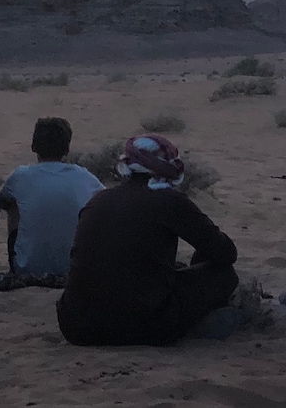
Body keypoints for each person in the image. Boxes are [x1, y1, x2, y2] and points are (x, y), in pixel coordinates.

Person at [57, 134, 240, 345]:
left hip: (76, 326)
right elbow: (225, 253)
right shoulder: (168, 201)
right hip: (144, 325)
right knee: (224, 275)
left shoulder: (99, 199)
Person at [0, 117, 104, 276]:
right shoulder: (84, 178)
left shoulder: (20, 176)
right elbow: (104, 200)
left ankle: (18, 263)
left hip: (28, 269)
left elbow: (3, 201)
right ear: (67, 149)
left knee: (14, 206)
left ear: (34, 146)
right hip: (73, 268)